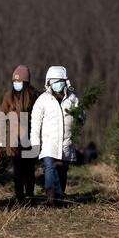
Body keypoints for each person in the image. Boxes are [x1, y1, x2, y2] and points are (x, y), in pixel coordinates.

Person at [30, 66, 79, 204]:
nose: (57, 84)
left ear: (66, 82)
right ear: (49, 83)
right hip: (49, 143)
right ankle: (51, 196)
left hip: (66, 143)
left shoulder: (73, 99)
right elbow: (35, 121)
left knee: (62, 170)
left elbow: (80, 119)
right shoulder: (43, 99)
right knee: (49, 167)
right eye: (54, 81)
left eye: (60, 81)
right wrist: (35, 142)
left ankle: (60, 195)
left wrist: (80, 115)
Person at [0, 65, 39, 202]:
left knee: (29, 169)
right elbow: (1, 115)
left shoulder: (34, 96)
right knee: (18, 169)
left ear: (25, 82)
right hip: (13, 139)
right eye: (14, 81)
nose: (16, 84)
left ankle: (30, 196)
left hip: (30, 137)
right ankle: (19, 196)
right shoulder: (9, 96)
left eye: (19, 82)